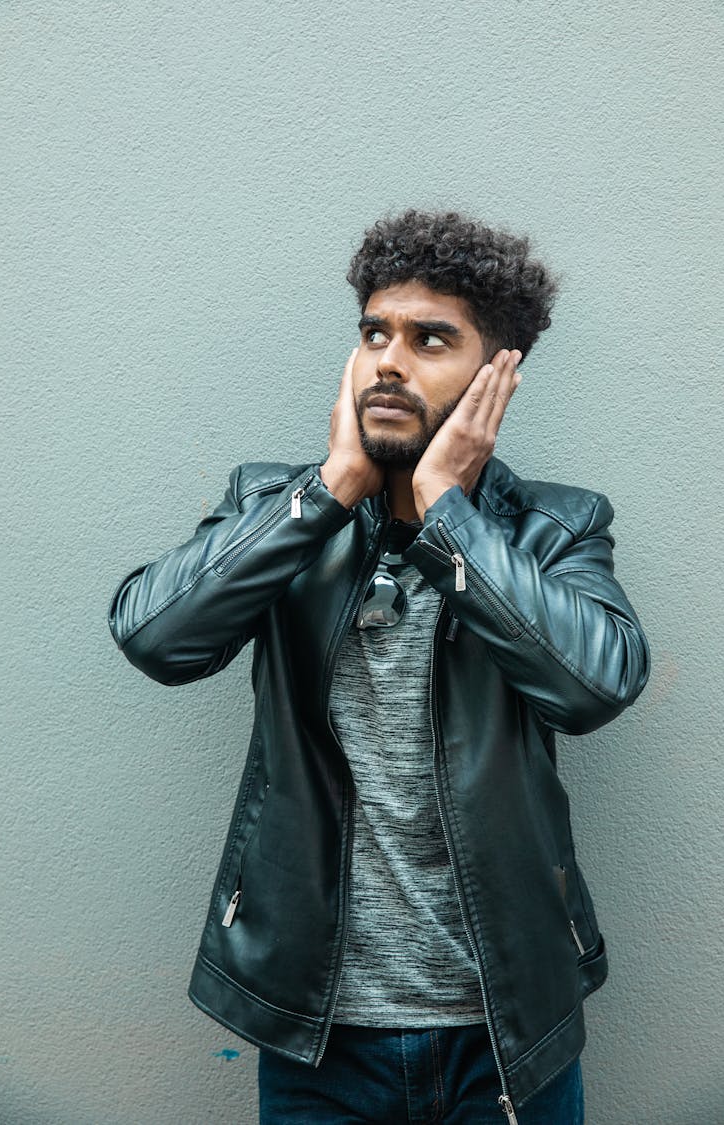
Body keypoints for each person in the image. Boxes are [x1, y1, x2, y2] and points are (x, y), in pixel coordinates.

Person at [108, 209, 650, 1124]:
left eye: (430, 338)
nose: (388, 361)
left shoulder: (557, 528)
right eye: (374, 333)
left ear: (495, 373)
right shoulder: (271, 504)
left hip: (507, 1026)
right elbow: (156, 637)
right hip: (317, 1031)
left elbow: (594, 686)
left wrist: (448, 510)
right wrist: (329, 491)